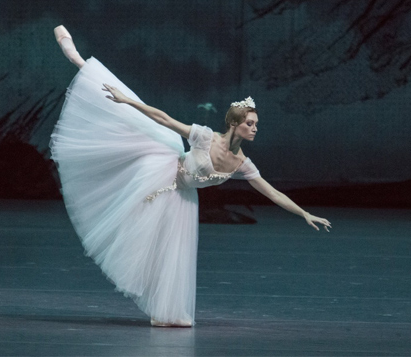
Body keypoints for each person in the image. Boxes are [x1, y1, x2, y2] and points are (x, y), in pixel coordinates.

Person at [50, 25, 331, 328]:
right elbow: (165, 118)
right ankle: (75, 55)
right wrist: (128, 101)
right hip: (161, 172)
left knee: (171, 255)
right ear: (236, 125)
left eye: (256, 123)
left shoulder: (242, 164)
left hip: (182, 198)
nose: (255, 128)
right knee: (124, 113)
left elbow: (272, 193)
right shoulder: (204, 137)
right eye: (251, 123)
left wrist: (303, 213)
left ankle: (163, 311)